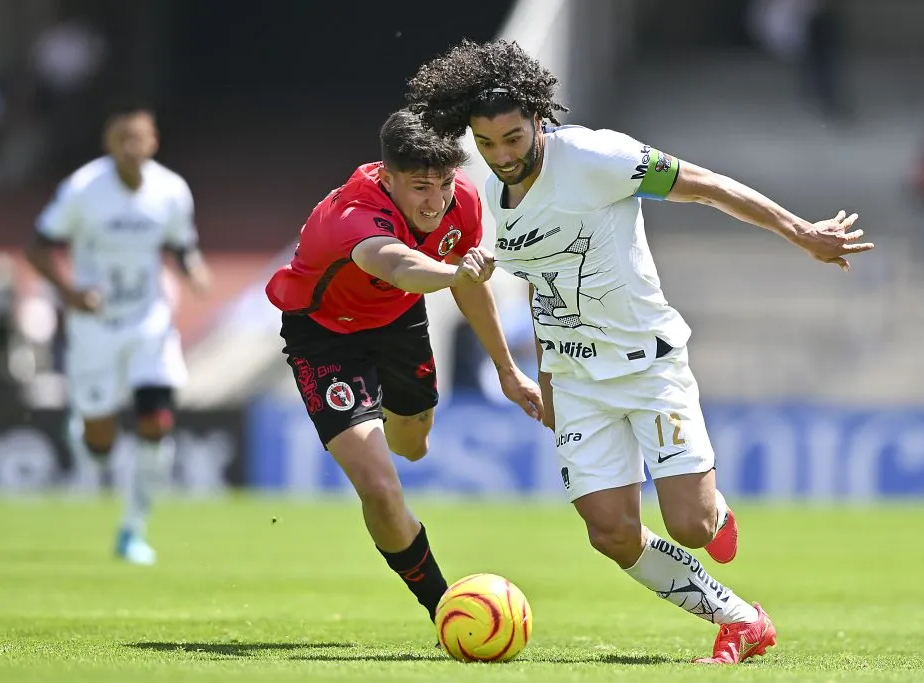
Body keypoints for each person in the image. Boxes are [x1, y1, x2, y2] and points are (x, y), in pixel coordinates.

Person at [407, 39, 874, 664]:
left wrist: (800, 232)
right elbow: (542, 284)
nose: (502, 156)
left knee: (692, 527)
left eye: (514, 138)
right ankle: (739, 619)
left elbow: (704, 185)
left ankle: (714, 512)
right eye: (487, 144)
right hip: (574, 379)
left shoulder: (599, 156)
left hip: (648, 365)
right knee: (610, 532)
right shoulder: (485, 195)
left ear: (538, 119)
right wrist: (545, 377)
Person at [264, 109, 543, 628]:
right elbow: (397, 265)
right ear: (387, 177)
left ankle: (387, 421)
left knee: (413, 445)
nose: (435, 201)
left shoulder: (463, 198)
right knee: (382, 487)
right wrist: (454, 271)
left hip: (397, 319)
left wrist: (506, 370)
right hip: (326, 335)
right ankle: (444, 606)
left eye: (442, 184)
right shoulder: (352, 214)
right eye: (419, 187)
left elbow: (469, 285)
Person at [25, 99, 210, 565]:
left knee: (156, 422)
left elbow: (181, 243)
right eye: (123, 139)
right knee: (100, 445)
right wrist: (70, 294)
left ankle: (133, 529)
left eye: (140, 138)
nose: (132, 148)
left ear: (153, 142)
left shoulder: (171, 190)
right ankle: (87, 431)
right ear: (110, 144)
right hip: (95, 326)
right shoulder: (84, 188)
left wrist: (193, 269)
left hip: (149, 321)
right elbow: (38, 247)